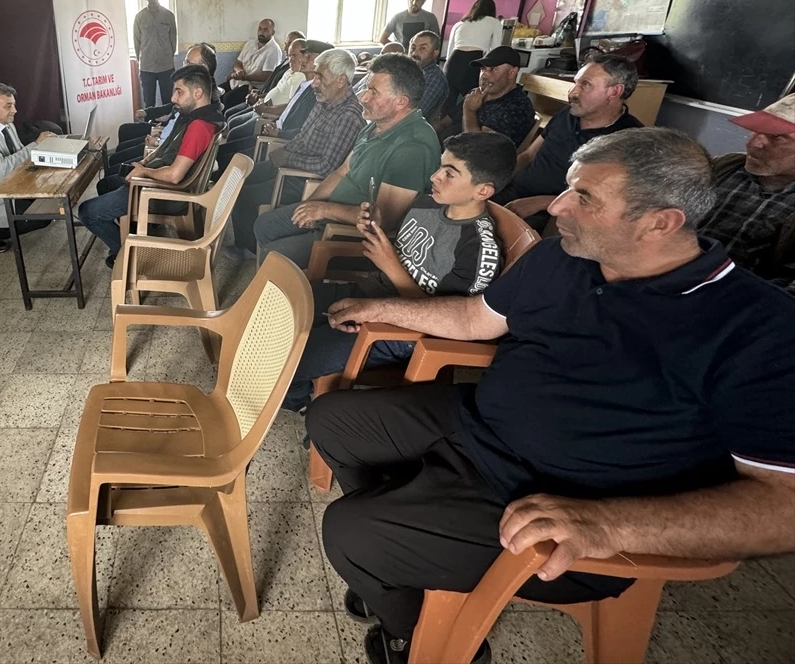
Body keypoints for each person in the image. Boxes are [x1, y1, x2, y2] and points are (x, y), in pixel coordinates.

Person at [312, 127, 795, 664]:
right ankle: (399, 563)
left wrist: (609, 525)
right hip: (479, 427)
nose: (558, 206)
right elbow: (475, 319)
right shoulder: (563, 257)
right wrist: (383, 308)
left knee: (349, 532)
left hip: (569, 500)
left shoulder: (759, 329)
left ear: (660, 222)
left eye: (584, 197)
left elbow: (785, 505)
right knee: (331, 420)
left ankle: (407, 625)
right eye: (567, 187)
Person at [283, 131, 513, 413]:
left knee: (291, 356)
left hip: (401, 333)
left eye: (449, 173)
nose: (435, 177)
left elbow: (445, 322)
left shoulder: (477, 249)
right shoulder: (426, 204)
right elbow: (399, 249)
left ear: (483, 191)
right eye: (440, 166)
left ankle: (297, 400)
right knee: (283, 305)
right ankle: (295, 388)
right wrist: (374, 228)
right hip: (371, 293)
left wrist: (390, 265)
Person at [253, 54, 441, 269]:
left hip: (354, 235)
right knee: (264, 225)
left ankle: (288, 287)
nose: (363, 98)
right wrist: (310, 205)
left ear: (401, 102)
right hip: (332, 214)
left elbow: (382, 220)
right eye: (367, 88)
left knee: (274, 256)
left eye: (374, 92)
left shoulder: (413, 147)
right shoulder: (376, 125)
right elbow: (342, 172)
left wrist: (324, 210)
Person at [79, 65, 225, 266]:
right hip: (155, 181)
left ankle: (127, 254)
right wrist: (144, 162)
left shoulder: (199, 126)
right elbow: (166, 148)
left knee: (86, 212)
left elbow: (174, 176)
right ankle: (131, 232)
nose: (173, 98)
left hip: (162, 192)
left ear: (198, 93)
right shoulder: (193, 116)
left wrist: (144, 172)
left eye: (179, 92)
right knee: (106, 184)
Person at [231, 48, 366, 251]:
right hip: (288, 164)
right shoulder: (324, 101)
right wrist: (283, 146)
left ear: (341, 80)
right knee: (238, 177)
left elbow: (326, 167)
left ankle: (248, 249)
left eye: (320, 76)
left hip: (301, 179)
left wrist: (287, 158)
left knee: (245, 195)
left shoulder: (349, 116)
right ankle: (244, 242)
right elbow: (302, 135)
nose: (315, 83)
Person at [496, 53, 642, 230]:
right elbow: (528, 156)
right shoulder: (567, 114)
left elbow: (603, 201)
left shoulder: (628, 140)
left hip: (554, 214)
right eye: (576, 83)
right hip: (514, 193)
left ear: (614, 91)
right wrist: (496, 182)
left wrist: (540, 203)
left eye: (585, 84)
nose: (572, 93)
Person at [700, 94, 795, 293]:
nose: (752, 143)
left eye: (776, 137)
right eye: (756, 131)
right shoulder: (724, 166)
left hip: (741, 300)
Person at [0, 83, 58, 252]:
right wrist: (36, 145)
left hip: (12, 184)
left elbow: (20, 153)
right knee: (43, 218)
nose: (14, 110)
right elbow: (2, 167)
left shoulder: (6, 123)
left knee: (50, 202)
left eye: (13, 104)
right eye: (8, 106)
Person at [108, 43, 222, 175]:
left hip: (163, 158)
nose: (184, 66)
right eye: (185, 62)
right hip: (163, 144)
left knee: (112, 172)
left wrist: (156, 144)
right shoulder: (194, 99)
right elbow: (173, 117)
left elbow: (175, 171)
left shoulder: (202, 114)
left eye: (188, 63)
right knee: (120, 146)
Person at [454, 45, 537, 148]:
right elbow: (444, 123)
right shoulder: (476, 94)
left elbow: (477, 148)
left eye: (493, 69)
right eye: (483, 69)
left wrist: (469, 111)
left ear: (512, 73)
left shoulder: (517, 107)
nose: (484, 75)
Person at [441, 0, 503, 127]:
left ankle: (441, 133)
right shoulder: (494, 22)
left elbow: (449, 50)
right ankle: (466, 131)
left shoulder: (459, 23)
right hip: (473, 61)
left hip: (453, 61)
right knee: (473, 102)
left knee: (447, 104)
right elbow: (496, 50)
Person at [258, 41, 332, 138]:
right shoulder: (304, 86)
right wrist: (274, 124)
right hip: (274, 130)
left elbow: (305, 131)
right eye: (303, 55)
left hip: (281, 142)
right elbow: (288, 114)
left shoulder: (317, 94)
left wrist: (278, 133)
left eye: (308, 57)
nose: (301, 59)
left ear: (321, 63)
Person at [132, 0, 178, 108]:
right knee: (149, 104)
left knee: (168, 102)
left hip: (166, 66)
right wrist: (142, 60)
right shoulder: (139, 17)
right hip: (146, 67)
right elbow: (137, 42)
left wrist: (166, 57)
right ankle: (150, 122)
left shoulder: (169, 16)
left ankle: (168, 122)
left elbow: (173, 41)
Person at [220, 18, 281, 108]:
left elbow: (267, 76)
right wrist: (239, 71)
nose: (261, 32)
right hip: (238, 82)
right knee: (217, 93)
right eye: (260, 29)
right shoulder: (250, 44)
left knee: (228, 99)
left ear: (273, 32)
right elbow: (238, 63)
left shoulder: (274, 50)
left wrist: (245, 77)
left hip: (254, 88)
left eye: (266, 30)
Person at [406, 30, 447, 124]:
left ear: (435, 53)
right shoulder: (408, 71)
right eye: (413, 47)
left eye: (423, 48)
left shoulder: (434, 78)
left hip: (412, 129)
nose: (414, 53)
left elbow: (415, 114)